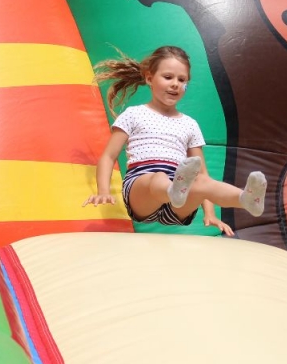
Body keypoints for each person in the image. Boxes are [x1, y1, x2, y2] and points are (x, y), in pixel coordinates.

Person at [83, 46, 266, 236]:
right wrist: (103, 190)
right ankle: (172, 190)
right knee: (158, 177)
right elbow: (108, 156)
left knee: (201, 181)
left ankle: (245, 199)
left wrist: (210, 214)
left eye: (182, 80)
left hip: (178, 203)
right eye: (168, 77)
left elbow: (202, 173)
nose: (175, 84)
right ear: (149, 78)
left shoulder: (190, 124)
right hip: (142, 193)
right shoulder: (133, 114)